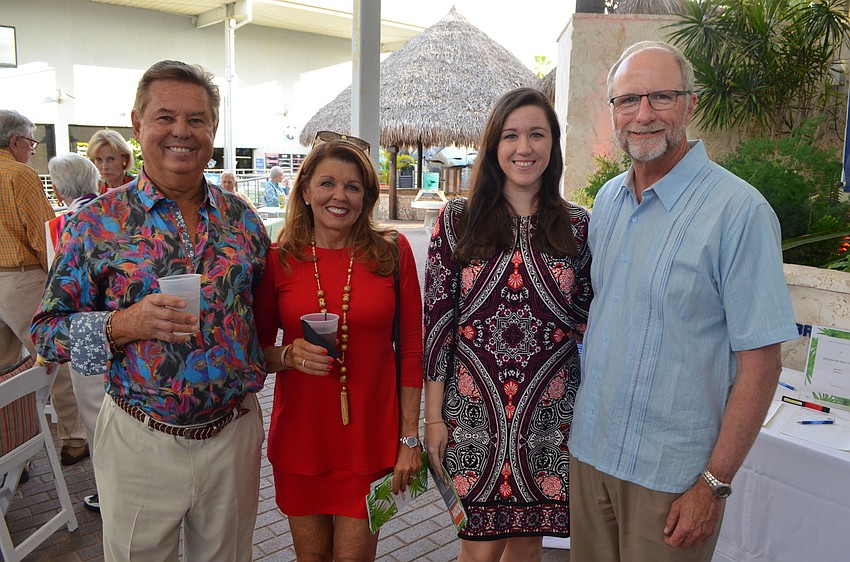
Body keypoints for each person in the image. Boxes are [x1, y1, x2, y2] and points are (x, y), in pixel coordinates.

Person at [567, 41, 799, 562]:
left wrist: (713, 484)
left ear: (690, 105)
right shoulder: (607, 201)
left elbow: (761, 362)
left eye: (661, 97)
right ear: (613, 112)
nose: (644, 114)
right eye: (628, 100)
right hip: (591, 456)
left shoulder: (739, 213)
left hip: (671, 479)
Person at [31, 60, 270, 561]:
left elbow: (260, 317)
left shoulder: (242, 220)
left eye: (197, 119)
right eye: (165, 117)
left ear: (213, 129)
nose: (181, 131)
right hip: (140, 439)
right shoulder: (95, 222)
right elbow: (47, 334)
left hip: (232, 436)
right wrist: (124, 324)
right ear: (137, 124)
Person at [423, 87, 593, 562]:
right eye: (511, 135)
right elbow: (438, 325)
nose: (524, 148)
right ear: (494, 146)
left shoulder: (578, 226)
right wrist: (433, 418)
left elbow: (587, 320)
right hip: (474, 416)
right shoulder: (459, 219)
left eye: (537, 134)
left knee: (527, 545)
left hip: (549, 414)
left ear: (552, 144)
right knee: (476, 550)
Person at [253, 134, 423, 562]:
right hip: (301, 439)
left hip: (369, 439)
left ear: (366, 197)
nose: (339, 196)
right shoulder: (280, 259)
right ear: (306, 190)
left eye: (352, 186)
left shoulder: (391, 251)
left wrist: (409, 436)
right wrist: (288, 356)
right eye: (327, 183)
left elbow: (412, 350)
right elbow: (253, 352)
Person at [0, 109, 89, 468]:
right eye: (32, 143)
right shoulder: (19, 174)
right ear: (16, 141)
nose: (32, 151)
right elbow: (42, 235)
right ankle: (74, 437)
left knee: (5, 371)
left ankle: (9, 453)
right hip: (22, 278)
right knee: (55, 357)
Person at [45, 153, 104, 512]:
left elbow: (55, 290)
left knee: (98, 421)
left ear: (58, 187)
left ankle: (108, 490)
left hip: (87, 336)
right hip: (123, 332)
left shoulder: (60, 225)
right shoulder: (113, 212)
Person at [86, 129, 135, 193]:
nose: (104, 167)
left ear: (124, 158)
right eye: (99, 159)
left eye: (110, 159)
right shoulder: (93, 191)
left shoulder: (140, 189)